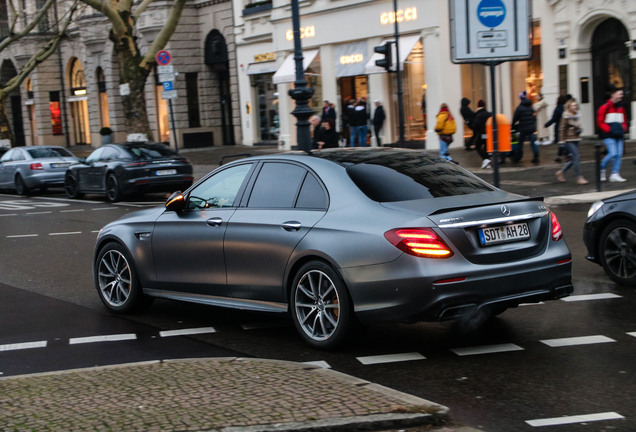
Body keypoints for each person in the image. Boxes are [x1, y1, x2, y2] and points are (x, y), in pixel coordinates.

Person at [597, 86, 627, 182]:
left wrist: (624, 128)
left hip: (619, 134)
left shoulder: (621, 107)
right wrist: (609, 130)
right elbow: (600, 122)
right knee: (613, 153)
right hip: (609, 135)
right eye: (619, 94)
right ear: (613, 95)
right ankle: (602, 167)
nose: (621, 96)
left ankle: (615, 174)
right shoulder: (604, 107)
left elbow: (624, 119)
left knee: (619, 154)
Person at [555, 99, 588, 185]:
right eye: (573, 105)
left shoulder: (577, 115)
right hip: (568, 139)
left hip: (576, 138)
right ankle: (579, 177)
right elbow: (562, 128)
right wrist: (561, 141)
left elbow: (579, 126)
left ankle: (561, 172)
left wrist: (580, 129)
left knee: (575, 158)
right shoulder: (566, 115)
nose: (575, 107)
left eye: (576, 105)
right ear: (569, 107)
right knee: (576, 157)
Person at [511, 90, 539, 163]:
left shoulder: (519, 108)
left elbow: (515, 118)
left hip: (523, 128)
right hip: (531, 128)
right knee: (533, 143)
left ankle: (517, 157)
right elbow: (534, 117)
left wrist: (513, 125)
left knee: (520, 143)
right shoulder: (530, 107)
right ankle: (536, 156)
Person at [545, 94, 569, 162]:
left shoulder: (557, 108)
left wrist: (546, 125)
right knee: (563, 142)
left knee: (561, 143)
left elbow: (554, 119)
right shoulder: (566, 108)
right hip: (566, 127)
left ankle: (568, 155)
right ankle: (559, 156)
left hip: (559, 128)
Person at [471, 99, 493, 168]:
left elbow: (475, 125)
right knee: (486, 148)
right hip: (488, 133)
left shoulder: (478, 114)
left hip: (481, 133)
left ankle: (485, 159)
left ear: (478, 105)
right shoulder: (488, 114)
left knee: (477, 146)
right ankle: (486, 163)